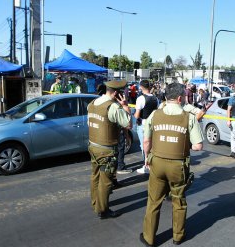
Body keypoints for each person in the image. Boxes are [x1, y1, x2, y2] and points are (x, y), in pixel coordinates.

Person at [140, 83, 204, 246]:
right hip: (178, 166)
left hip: (157, 163)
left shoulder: (154, 115)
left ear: (166, 97)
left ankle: (149, 237)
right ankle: (178, 236)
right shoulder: (188, 117)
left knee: (153, 201)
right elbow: (198, 146)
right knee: (179, 201)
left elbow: (146, 141)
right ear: (180, 98)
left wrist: (147, 158)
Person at [87, 79, 132, 219]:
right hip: (106, 149)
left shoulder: (93, 103)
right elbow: (128, 124)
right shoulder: (113, 107)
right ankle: (103, 210)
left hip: (93, 145)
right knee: (106, 180)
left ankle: (96, 203)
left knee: (95, 176)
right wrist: (125, 106)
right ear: (116, 94)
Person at [134, 80, 159, 174]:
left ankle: (146, 166)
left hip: (143, 124)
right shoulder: (155, 98)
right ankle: (151, 165)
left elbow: (137, 115)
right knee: (151, 146)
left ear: (141, 87)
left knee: (144, 146)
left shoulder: (140, 98)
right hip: (153, 124)